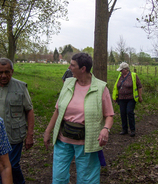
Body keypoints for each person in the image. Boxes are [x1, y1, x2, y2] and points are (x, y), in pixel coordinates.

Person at [44, 53, 114, 184]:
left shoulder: (100, 88)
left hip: (87, 142)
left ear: (83, 69)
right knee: (58, 177)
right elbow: (58, 110)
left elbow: (109, 115)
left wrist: (105, 129)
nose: (69, 67)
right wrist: (48, 131)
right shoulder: (68, 83)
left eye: (72, 65)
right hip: (63, 140)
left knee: (87, 179)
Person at [0, 58, 35, 184]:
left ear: (12, 72)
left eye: (7, 72)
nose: (3, 75)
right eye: (0, 72)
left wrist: (30, 135)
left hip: (14, 135)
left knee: (12, 165)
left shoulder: (20, 87)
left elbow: (29, 110)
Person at [112, 62, 143, 137]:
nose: (120, 71)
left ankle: (132, 130)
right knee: (123, 114)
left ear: (126, 69)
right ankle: (124, 129)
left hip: (131, 98)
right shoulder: (120, 76)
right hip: (121, 99)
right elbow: (117, 87)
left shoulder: (133, 76)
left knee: (129, 112)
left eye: (121, 70)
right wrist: (115, 97)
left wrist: (140, 96)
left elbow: (139, 86)